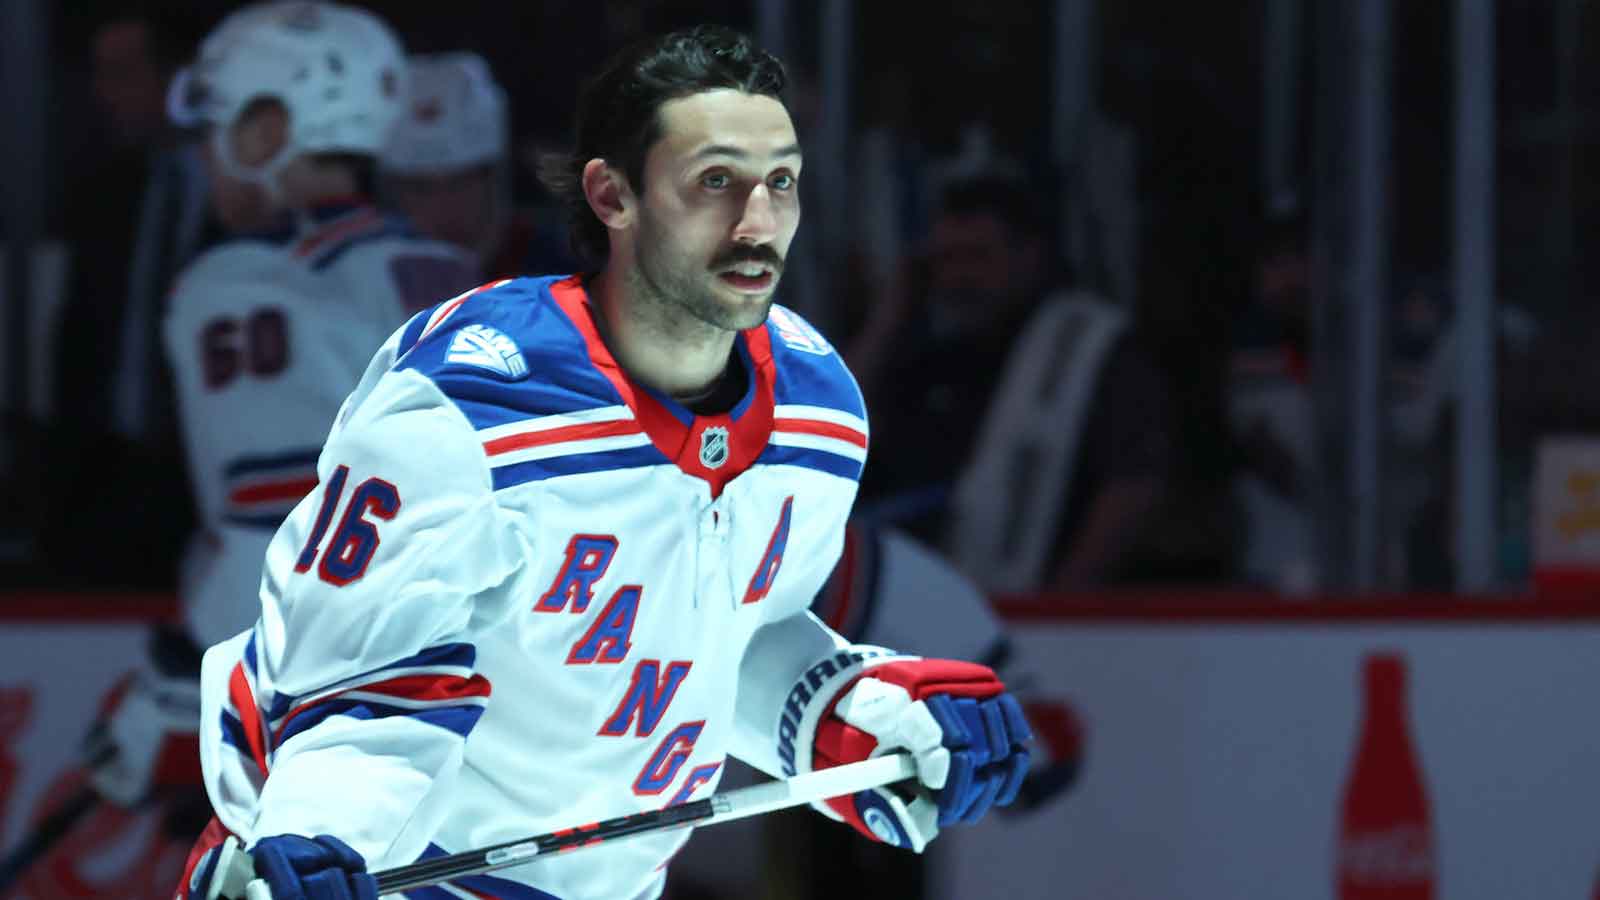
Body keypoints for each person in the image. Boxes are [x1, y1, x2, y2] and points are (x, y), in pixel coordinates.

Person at [177, 24, 1031, 900]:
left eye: (781, 182)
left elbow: (724, 643)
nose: (758, 222)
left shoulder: (818, 408)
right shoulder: (473, 399)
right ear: (612, 196)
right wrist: (318, 829)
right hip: (390, 879)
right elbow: (342, 677)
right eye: (714, 182)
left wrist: (857, 714)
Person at [81, 1, 478, 823]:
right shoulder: (451, 272)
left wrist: (166, 693)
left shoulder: (248, 288)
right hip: (483, 707)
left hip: (346, 723)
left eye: (221, 125)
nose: (208, 155)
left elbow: (280, 538)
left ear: (267, 130)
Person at [852, 171, 1173, 594]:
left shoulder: (1088, 349)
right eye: (945, 260)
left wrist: (1065, 601)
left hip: (1049, 613)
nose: (960, 276)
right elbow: (835, 426)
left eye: (978, 256)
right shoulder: (934, 359)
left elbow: (1134, 482)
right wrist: (888, 318)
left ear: (1030, 257)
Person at [380, 52, 578, 280]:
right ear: (393, 195)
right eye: (422, 189)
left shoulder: (560, 276)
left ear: (495, 181)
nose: (447, 206)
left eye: (463, 181)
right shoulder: (366, 285)